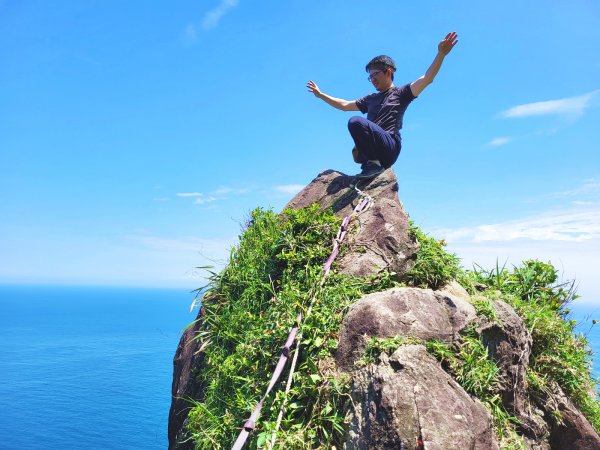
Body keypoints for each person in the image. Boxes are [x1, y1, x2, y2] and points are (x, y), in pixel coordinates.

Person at [307, 32, 459, 179]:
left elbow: (427, 78)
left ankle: (374, 164)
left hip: (389, 147)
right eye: (370, 76)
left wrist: (441, 54)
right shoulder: (370, 99)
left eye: (375, 74)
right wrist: (321, 95)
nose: (372, 79)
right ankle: (370, 163)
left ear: (388, 72)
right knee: (355, 123)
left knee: (355, 121)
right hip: (374, 148)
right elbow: (345, 105)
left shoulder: (401, 93)